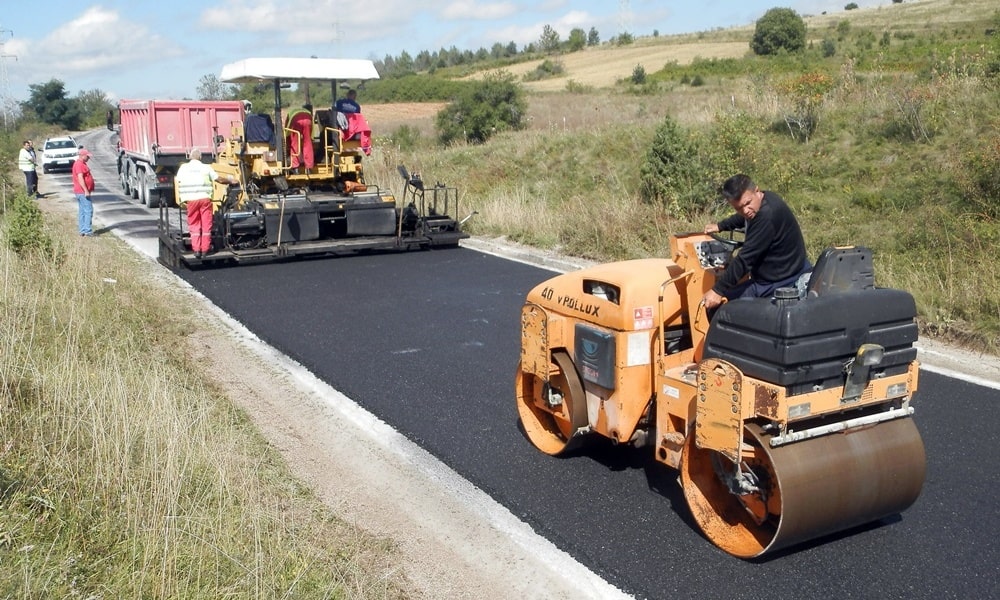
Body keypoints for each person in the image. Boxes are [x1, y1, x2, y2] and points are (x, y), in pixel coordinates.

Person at [701, 174, 811, 310]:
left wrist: (717, 291)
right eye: (738, 208)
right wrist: (721, 225)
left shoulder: (766, 216)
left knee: (720, 308)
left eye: (747, 203)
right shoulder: (766, 199)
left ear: (757, 191)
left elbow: (746, 259)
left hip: (780, 281)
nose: (745, 211)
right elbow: (745, 217)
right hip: (787, 269)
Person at [174, 148, 237, 258]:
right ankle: (205, 250)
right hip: (205, 200)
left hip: (191, 200)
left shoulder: (183, 168)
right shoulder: (206, 167)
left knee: (194, 225)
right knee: (206, 224)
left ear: (190, 157)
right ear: (200, 157)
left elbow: (178, 180)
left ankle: (197, 250)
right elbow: (219, 179)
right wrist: (231, 181)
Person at [72, 149, 96, 236]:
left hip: (80, 191)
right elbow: (80, 178)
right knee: (88, 210)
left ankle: (82, 230)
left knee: (82, 211)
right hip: (82, 192)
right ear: (82, 155)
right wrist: (86, 190)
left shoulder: (81, 164)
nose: (89, 157)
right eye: (87, 156)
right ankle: (87, 231)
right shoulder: (79, 164)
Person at [285, 104, 314, 170]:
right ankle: (309, 167)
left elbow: (286, 130)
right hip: (308, 119)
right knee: (308, 144)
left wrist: (288, 143)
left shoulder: (291, 113)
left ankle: (296, 167)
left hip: (296, 119)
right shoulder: (308, 113)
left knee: (295, 144)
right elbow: (312, 133)